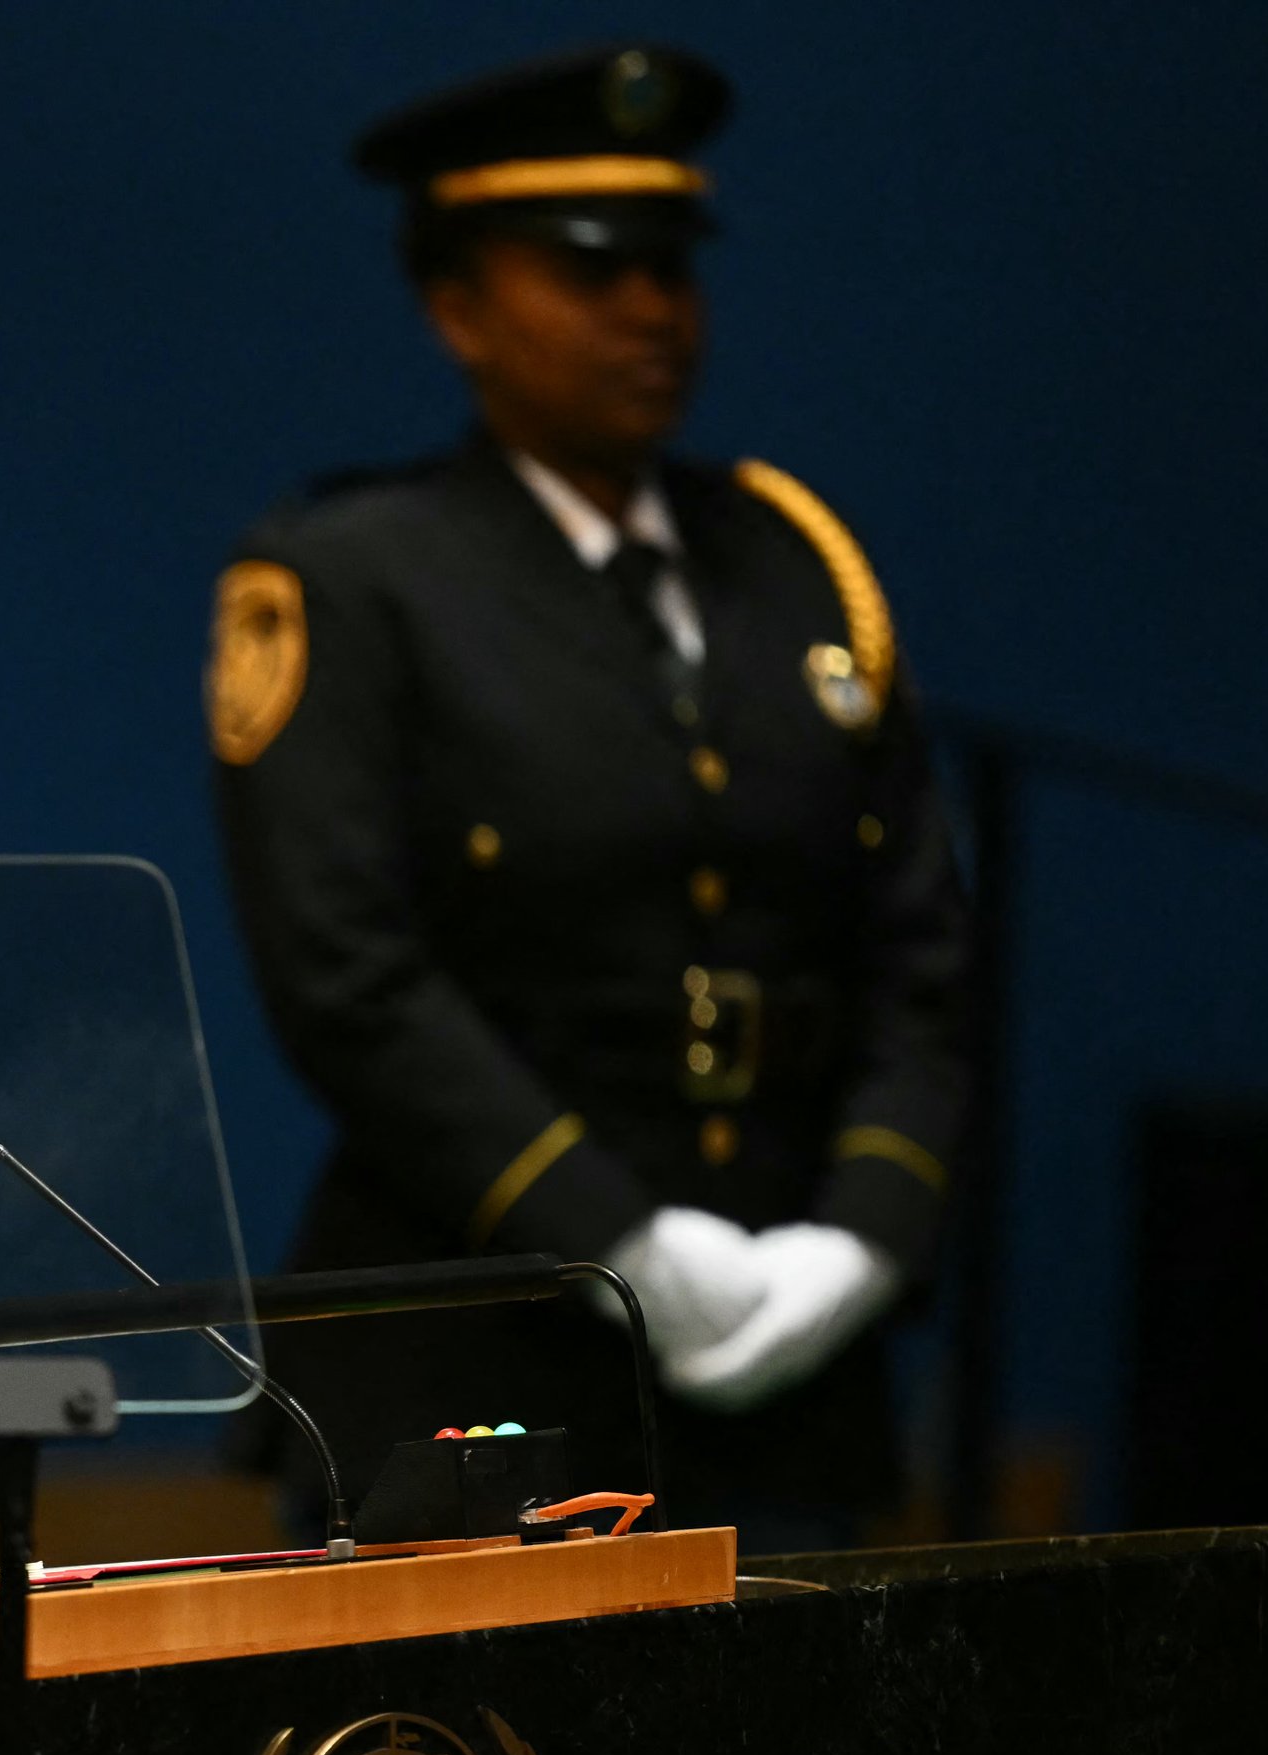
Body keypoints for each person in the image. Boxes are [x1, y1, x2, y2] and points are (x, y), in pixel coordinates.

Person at [210, 44, 970, 1538]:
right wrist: (613, 1234)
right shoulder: (354, 579)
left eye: (673, 268)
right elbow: (346, 975)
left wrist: (866, 1239)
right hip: (473, 1326)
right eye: (587, 270)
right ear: (457, 308)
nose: (651, 310)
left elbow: (922, 950)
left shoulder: (796, 561)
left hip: (792, 1333)